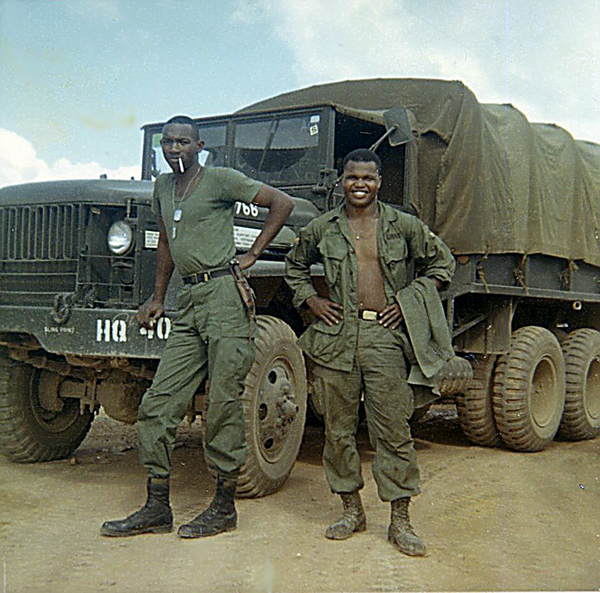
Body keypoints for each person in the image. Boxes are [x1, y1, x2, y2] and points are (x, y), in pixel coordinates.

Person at [101, 115, 293, 539]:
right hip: (188, 302)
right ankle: (156, 507)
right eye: (168, 142)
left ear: (199, 146)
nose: (174, 149)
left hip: (224, 297)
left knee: (223, 403)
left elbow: (282, 203)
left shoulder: (221, 179)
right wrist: (157, 297)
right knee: (158, 403)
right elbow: (167, 242)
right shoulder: (163, 188)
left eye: (183, 142)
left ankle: (224, 507)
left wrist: (254, 254)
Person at [284, 148, 455, 556]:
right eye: (352, 177)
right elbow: (293, 267)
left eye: (368, 178)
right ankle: (350, 511)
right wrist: (312, 301)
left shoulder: (404, 226)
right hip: (336, 338)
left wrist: (410, 301)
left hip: (384, 336)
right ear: (341, 181)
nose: (360, 184)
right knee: (338, 431)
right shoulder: (322, 228)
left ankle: (400, 521)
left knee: (393, 431)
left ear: (380, 182)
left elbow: (442, 265)